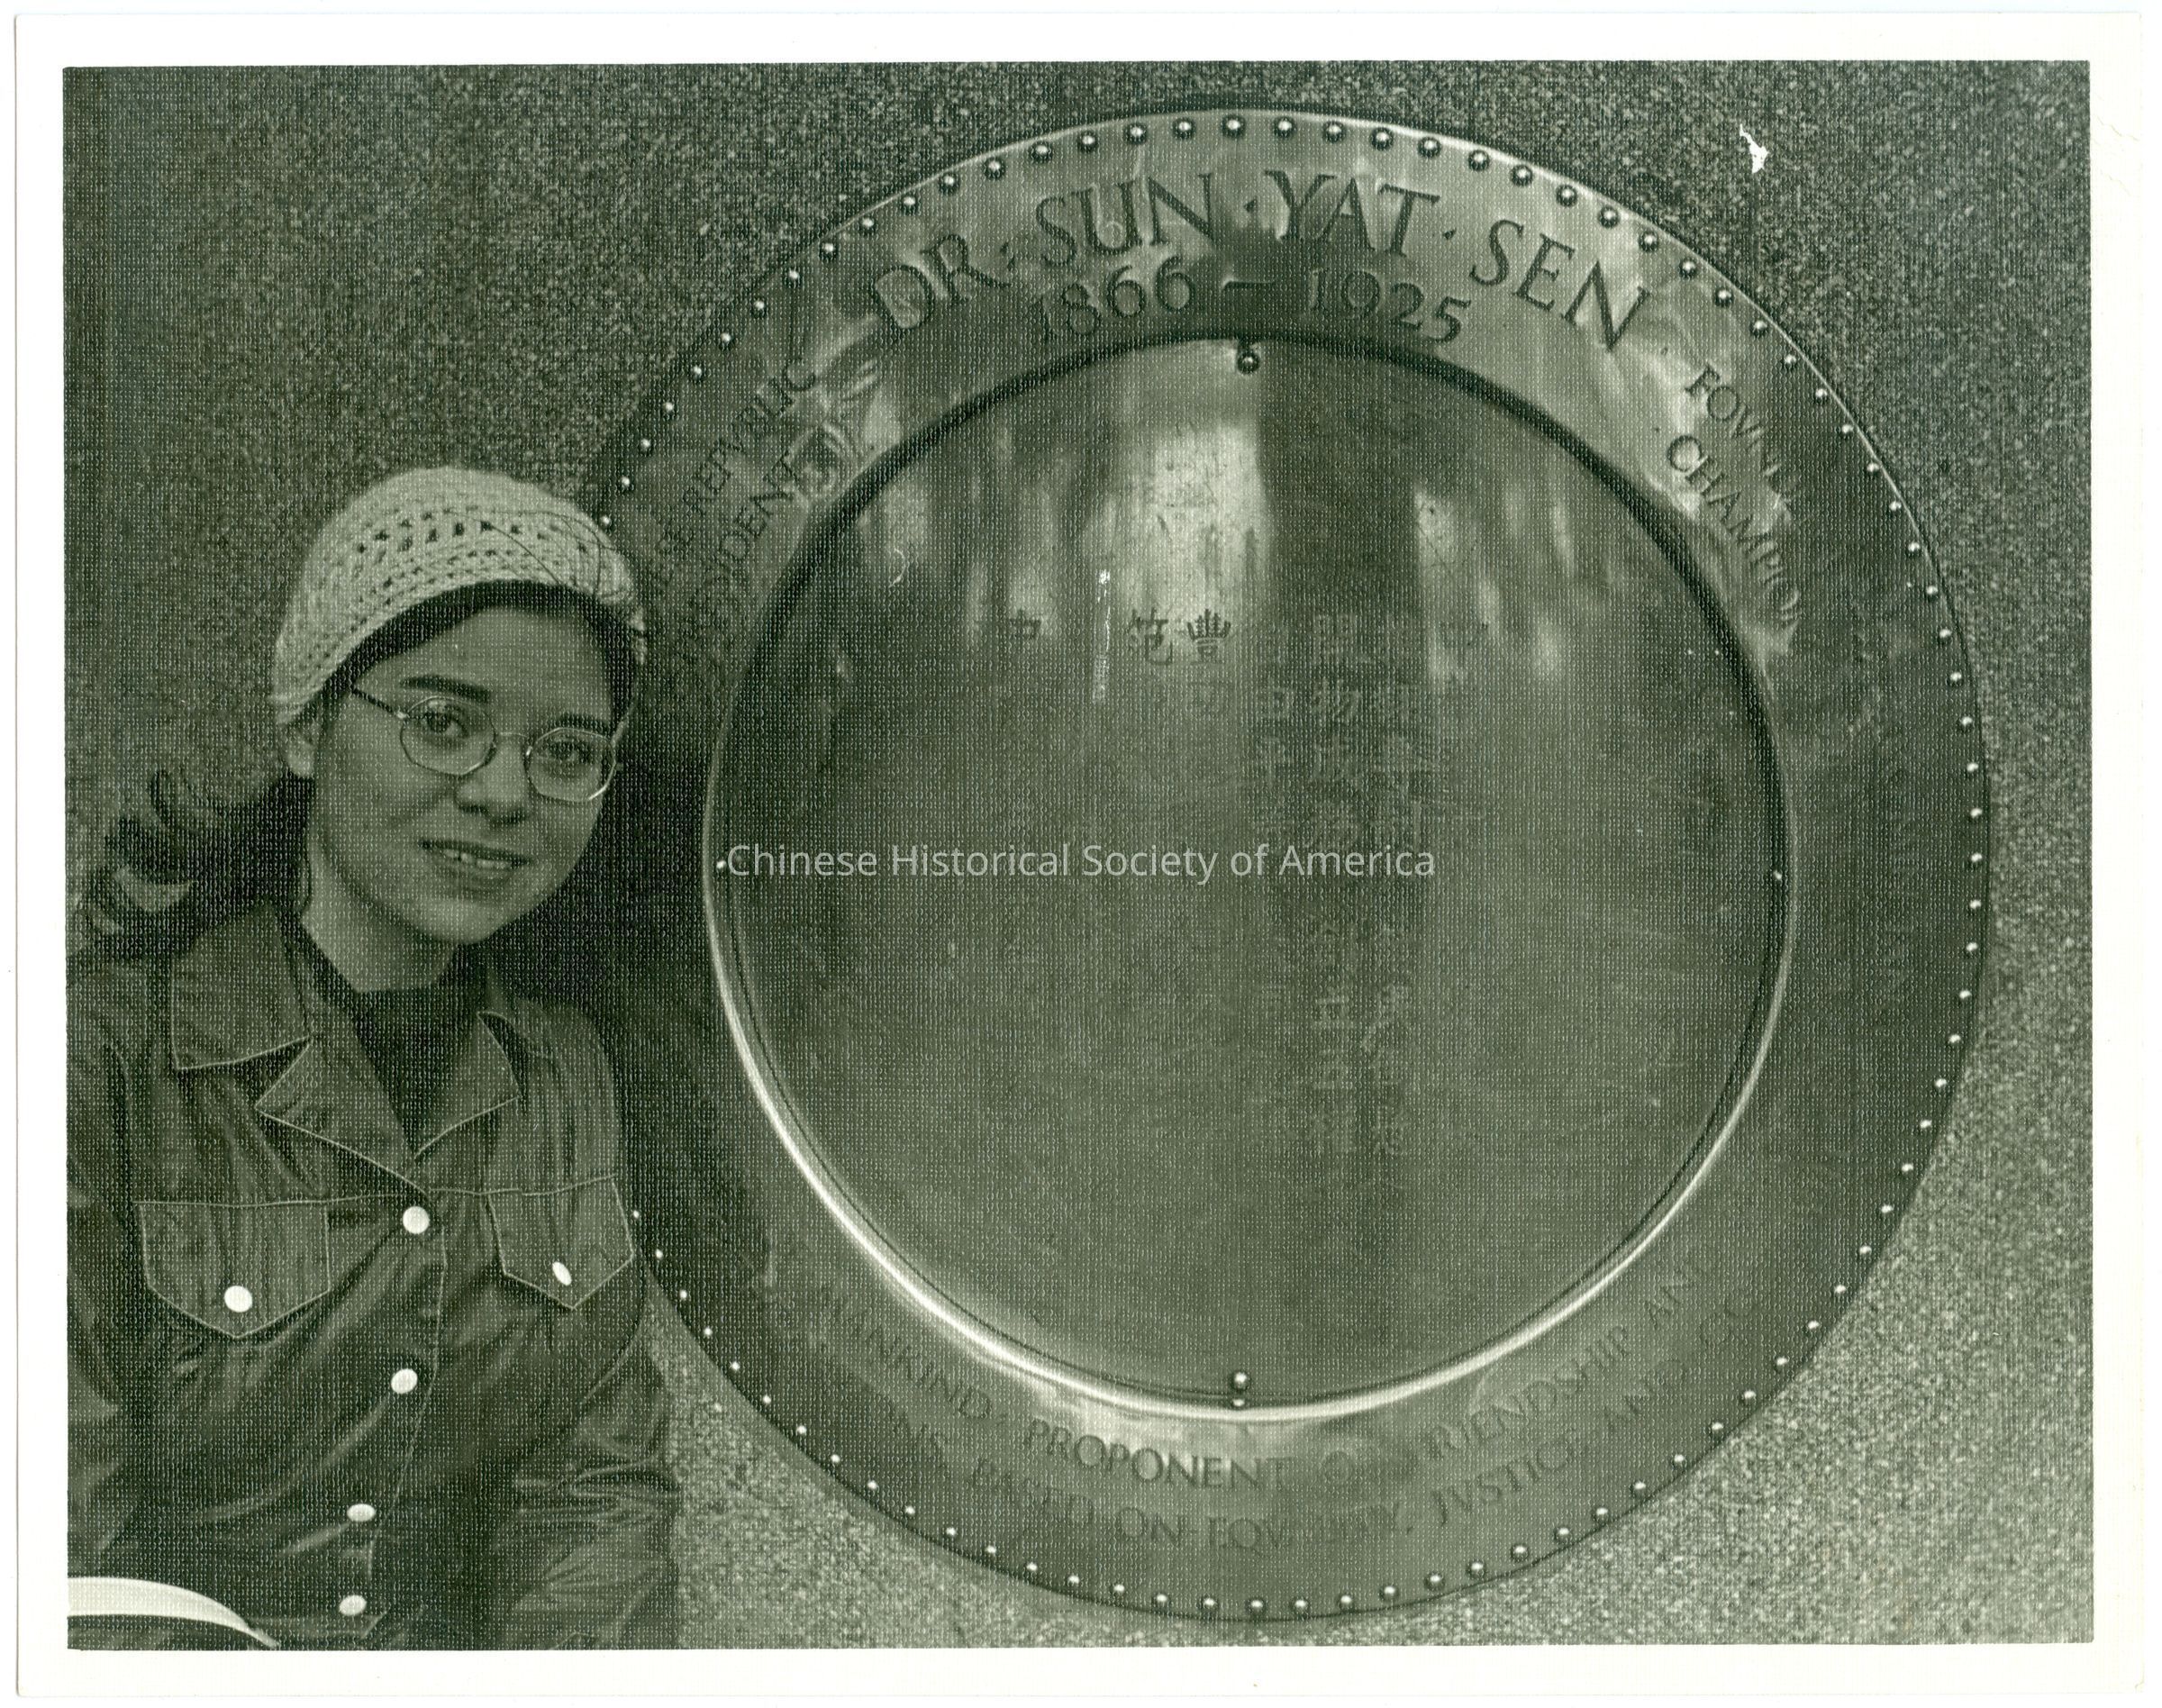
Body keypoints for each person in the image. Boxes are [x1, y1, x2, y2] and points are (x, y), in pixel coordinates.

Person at [68, 468, 679, 1649]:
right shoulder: (93, 1057)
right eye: (443, 724)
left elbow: (592, 1511)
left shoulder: (560, 1073)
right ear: (306, 723)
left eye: (566, 751)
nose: (503, 793)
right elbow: (62, 1574)